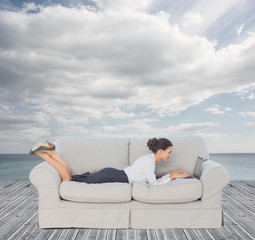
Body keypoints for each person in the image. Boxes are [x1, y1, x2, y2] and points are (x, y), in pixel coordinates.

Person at [30, 138, 190, 184]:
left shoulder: (149, 160)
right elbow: (153, 185)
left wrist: (172, 174)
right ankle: (44, 155)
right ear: (160, 151)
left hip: (113, 174)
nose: (170, 155)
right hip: (113, 176)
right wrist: (172, 176)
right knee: (67, 180)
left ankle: (53, 153)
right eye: (169, 152)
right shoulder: (149, 163)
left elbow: (152, 180)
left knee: (71, 177)